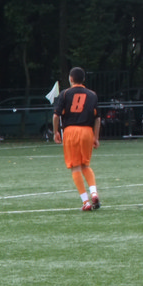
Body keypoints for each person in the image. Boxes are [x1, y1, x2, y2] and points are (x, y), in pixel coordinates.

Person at [52, 66, 101, 211]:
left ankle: (86, 202)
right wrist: (96, 137)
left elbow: (56, 115)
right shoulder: (92, 95)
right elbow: (97, 118)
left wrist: (55, 132)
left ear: (71, 79)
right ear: (83, 79)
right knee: (85, 165)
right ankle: (94, 193)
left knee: (75, 167)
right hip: (87, 131)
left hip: (71, 131)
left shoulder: (65, 94)